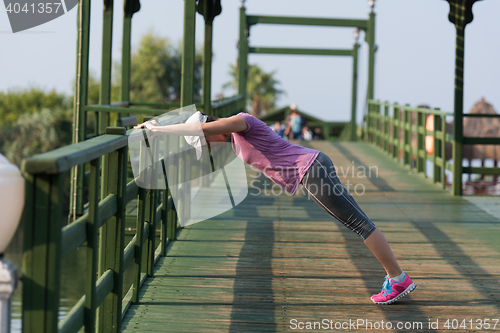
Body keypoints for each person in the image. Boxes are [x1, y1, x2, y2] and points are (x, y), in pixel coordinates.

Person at [135, 111, 417, 304]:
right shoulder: (235, 141)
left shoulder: (240, 122)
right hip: (312, 167)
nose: (207, 147)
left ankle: (398, 279)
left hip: (310, 169)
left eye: (204, 142)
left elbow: (201, 127)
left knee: (359, 225)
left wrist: (158, 129)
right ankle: (396, 277)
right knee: (360, 222)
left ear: (211, 128)